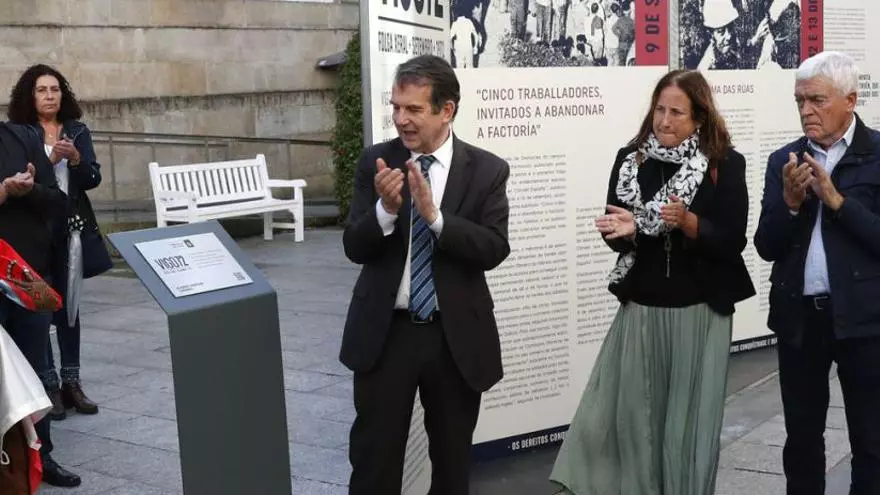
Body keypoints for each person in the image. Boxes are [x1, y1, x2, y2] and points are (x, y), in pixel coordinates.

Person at [550, 69, 755, 494]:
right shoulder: (631, 160)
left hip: (699, 313)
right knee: (625, 422)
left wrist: (689, 222)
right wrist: (627, 232)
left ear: (699, 117)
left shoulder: (724, 163)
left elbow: (732, 239)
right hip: (641, 309)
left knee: (686, 431)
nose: (664, 120)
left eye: (677, 112)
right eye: (660, 109)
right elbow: (616, 232)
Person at [340, 54, 510, 494]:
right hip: (385, 335)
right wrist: (385, 211)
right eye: (396, 107)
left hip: (453, 338)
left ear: (446, 110)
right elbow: (354, 246)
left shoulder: (487, 170)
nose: (401, 119)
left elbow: (494, 248)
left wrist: (436, 218)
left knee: (452, 466)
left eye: (413, 109)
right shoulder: (376, 161)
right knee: (374, 464)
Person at [754, 51, 880, 494]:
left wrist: (837, 202)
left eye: (817, 100)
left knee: (872, 440)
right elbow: (766, 246)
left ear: (850, 100)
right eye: (800, 101)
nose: (806, 110)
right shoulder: (784, 160)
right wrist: (790, 205)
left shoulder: (876, 155)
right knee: (802, 440)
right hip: (800, 321)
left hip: (865, 321)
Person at [7, 64, 108, 420]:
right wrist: (49, 160)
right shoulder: (20, 134)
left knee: (70, 308)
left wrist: (77, 159)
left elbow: (92, 178)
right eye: (41, 90)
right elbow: (24, 182)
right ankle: (49, 385)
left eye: (54, 89)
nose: (50, 96)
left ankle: (72, 382)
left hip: (72, 230)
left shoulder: (77, 130)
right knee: (41, 308)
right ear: (29, 96)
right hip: (36, 232)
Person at [0, 120, 81, 487]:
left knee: (34, 373)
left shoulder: (22, 137)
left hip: (27, 278)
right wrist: (4, 191)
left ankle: (41, 456)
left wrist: (29, 190)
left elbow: (58, 202)